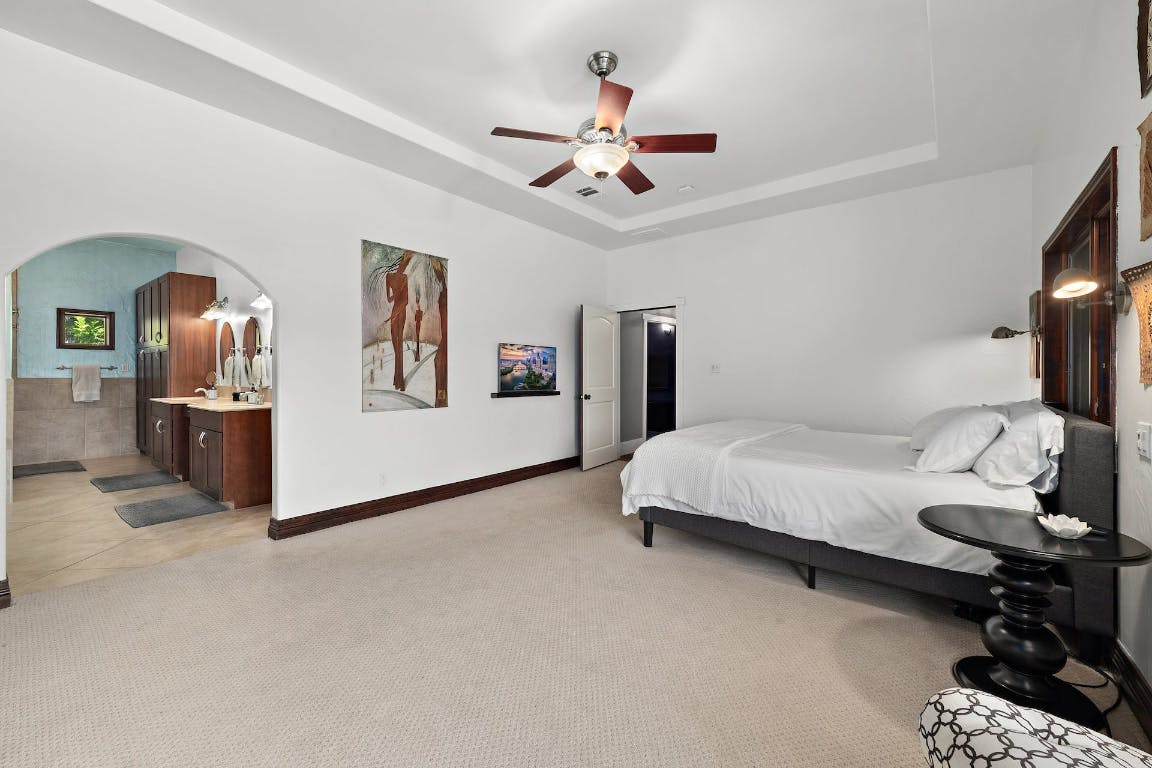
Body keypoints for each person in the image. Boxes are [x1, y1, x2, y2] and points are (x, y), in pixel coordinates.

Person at [385, 253, 413, 391]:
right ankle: (397, 378)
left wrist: (398, 310)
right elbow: (389, 299)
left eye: (406, 265)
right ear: (400, 264)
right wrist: (395, 295)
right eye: (403, 264)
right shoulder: (389, 277)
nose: (403, 267)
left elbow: (406, 300)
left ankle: (399, 381)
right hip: (395, 310)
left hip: (401, 313)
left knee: (400, 345)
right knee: (395, 344)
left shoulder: (404, 278)